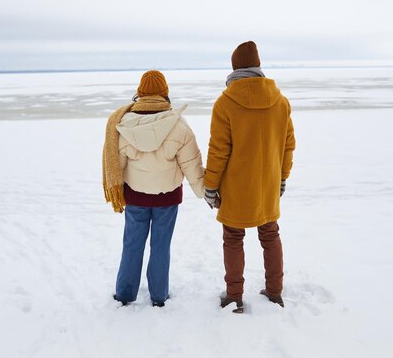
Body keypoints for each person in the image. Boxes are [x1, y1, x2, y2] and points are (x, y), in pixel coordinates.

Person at [204, 41, 295, 313]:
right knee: (270, 234)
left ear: (234, 68)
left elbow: (218, 150)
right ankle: (274, 291)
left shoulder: (225, 103)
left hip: (236, 188)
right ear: (257, 66)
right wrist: (282, 178)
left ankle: (234, 296)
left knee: (233, 237)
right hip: (267, 185)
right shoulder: (280, 101)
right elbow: (288, 145)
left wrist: (210, 186)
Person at [102, 70, 205, 307]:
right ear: (165, 92)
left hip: (135, 197)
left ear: (140, 92)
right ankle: (159, 296)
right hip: (167, 199)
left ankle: (125, 294)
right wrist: (205, 192)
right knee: (161, 246)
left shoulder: (122, 125)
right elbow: (191, 165)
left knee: (132, 244)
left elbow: (117, 166)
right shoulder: (179, 126)